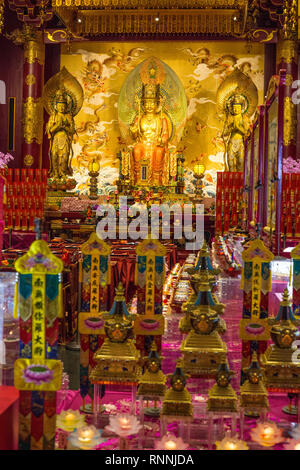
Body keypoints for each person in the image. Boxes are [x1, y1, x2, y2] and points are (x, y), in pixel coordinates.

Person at [129, 83, 169, 185]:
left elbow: (165, 134)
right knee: (137, 149)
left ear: (157, 104)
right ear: (142, 105)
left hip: (156, 144)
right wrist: (134, 131)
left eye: (152, 103)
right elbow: (135, 136)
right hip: (143, 143)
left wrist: (162, 140)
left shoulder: (161, 118)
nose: (149, 106)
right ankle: (139, 177)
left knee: (159, 151)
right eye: (147, 103)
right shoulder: (139, 118)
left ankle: (156, 178)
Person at [46, 87, 75, 179]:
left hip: (65, 138)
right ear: (56, 106)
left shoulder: (68, 117)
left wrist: (65, 127)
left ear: (67, 107)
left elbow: (72, 130)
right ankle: (55, 174)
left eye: (63, 106)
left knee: (65, 157)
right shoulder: (53, 116)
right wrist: (58, 126)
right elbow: (49, 130)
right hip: (56, 139)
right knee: (54, 156)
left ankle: (63, 174)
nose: (61, 108)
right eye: (59, 106)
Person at [222, 94, 250, 172]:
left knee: (240, 164)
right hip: (231, 142)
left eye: (238, 107)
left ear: (241, 108)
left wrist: (238, 128)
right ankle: (232, 181)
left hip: (240, 142)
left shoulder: (244, 118)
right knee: (230, 163)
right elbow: (224, 133)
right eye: (234, 108)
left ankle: (241, 182)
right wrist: (230, 128)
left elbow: (247, 133)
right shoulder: (230, 118)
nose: (235, 109)